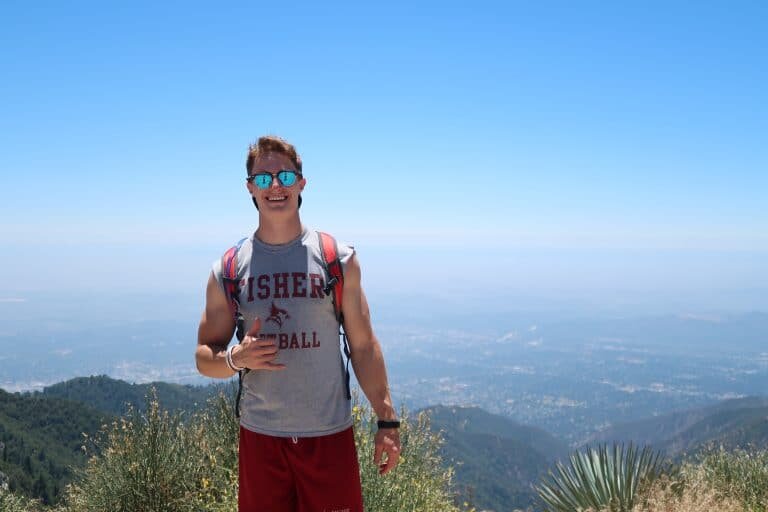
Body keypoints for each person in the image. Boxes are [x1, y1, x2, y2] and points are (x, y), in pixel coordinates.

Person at [195, 135, 400, 512]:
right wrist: (236, 359)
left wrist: (387, 421)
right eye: (263, 178)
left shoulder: (337, 260)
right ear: (250, 189)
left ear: (302, 183)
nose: (275, 186)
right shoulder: (228, 269)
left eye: (285, 177)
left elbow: (363, 346)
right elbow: (204, 357)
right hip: (261, 440)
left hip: (329, 439)